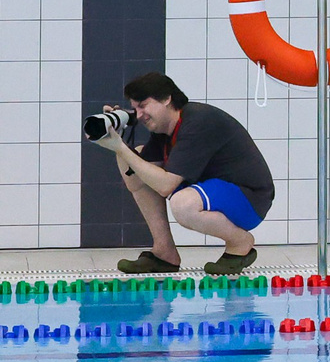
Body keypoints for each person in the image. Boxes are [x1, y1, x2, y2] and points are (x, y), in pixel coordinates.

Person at [91, 73, 273, 275]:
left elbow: (165, 186)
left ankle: (239, 243)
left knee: (182, 204)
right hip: (220, 192)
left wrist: (121, 149)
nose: (139, 115)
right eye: (135, 109)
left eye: (143, 105)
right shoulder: (164, 131)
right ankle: (164, 253)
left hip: (249, 199)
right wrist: (119, 141)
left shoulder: (198, 121)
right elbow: (135, 182)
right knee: (142, 159)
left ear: (166, 99)